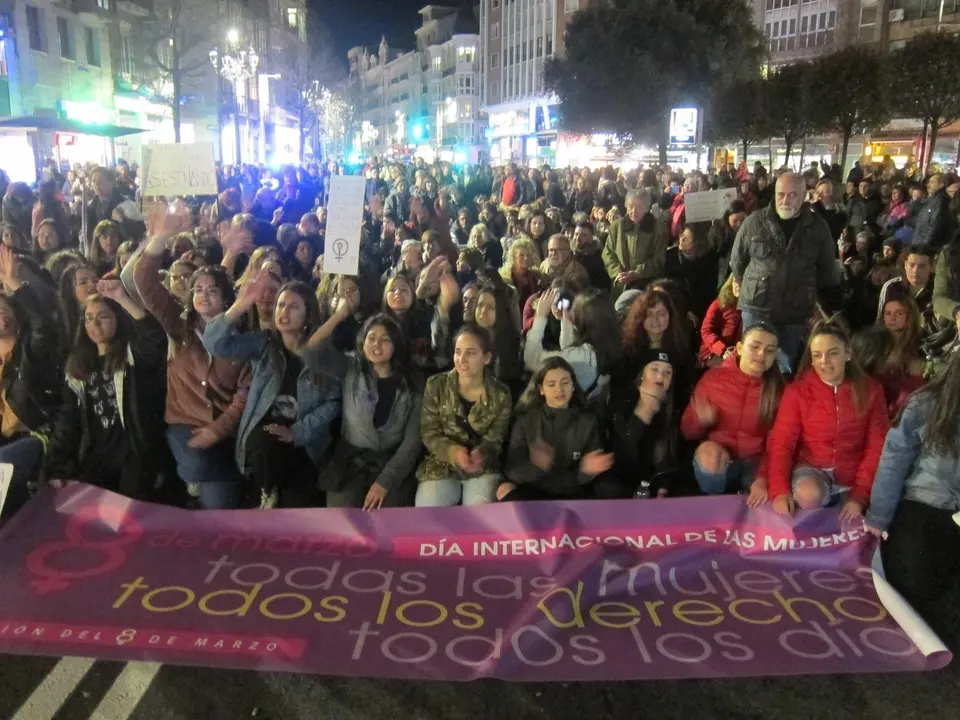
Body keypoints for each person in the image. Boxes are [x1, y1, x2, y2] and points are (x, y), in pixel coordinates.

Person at [134, 220, 251, 510]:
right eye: (197, 289)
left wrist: (218, 430)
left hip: (224, 432)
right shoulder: (178, 324)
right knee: (198, 466)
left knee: (217, 512)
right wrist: (161, 235)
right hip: (184, 424)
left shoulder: (243, 339)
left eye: (212, 291)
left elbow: (243, 395)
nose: (203, 295)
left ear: (226, 299)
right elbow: (145, 280)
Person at [203, 273, 342, 508]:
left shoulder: (323, 353)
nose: (283, 311)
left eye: (293, 306)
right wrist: (242, 304)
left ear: (308, 315)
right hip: (264, 444)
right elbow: (216, 343)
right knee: (266, 441)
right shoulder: (264, 343)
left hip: (303, 444)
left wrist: (296, 433)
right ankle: (267, 491)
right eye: (280, 304)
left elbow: (333, 403)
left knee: (299, 511)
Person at [865, 349, 960, 636]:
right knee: (912, 587)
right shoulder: (927, 401)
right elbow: (894, 460)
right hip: (925, 504)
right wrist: (879, 517)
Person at [46, 281, 168, 500]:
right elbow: (68, 419)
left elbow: (155, 338)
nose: (95, 324)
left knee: (129, 513)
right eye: (89, 318)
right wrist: (56, 465)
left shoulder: (132, 356)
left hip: (134, 452)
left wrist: (121, 297)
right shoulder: (77, 366)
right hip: (96, 453)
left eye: (103, 316)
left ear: (118, 320)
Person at [766, 319, 889, 518]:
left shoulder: (871, 391)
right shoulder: (797, 392)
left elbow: (877, 446)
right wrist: (779, 490)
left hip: (854, 476)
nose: (824, 361)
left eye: (833, 353)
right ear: (811, 359)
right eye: (817, 355)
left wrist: (860, 495)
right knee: (809, 494)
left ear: (847, 354)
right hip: (811, 471)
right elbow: (782, 443)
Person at [309, 307, 422, 510]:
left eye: (385, 339)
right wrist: (338, 315)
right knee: (342, 523)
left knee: (389, 521)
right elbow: (312, 352)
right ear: (363, 342)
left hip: (392, 461)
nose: (377, 345)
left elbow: (412, 440)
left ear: (396, 344)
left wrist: (385, 482)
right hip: (349, 462)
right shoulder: (351, 367)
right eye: (371, 338)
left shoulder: (413, 382)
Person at [730, 172, 841, 374]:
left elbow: (827, 269)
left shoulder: (817, 227)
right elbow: (737, 261)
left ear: (804, 195)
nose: (785, 200)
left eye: (792, 195)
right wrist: (748, 284)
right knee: (751, 364)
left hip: (795, 311)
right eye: (781, 194)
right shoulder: (754, 221)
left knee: (785, 366)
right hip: (757, 306)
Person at [682, 323, 783, 502]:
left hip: (756, 463)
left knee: (759, 503)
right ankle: (715, 501)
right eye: (755, 346)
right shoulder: (713, 379)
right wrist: (700, 421)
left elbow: (779, 443)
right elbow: (687, 432)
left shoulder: (778, 390)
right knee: (709, 457)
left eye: (769, 350)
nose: (761, 355)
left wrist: (762, 478)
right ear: (740, 348)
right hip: (721, 461)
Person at [415, 325, 511, 507]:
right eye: (458, 352)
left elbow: (497, 438)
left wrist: (483, 454)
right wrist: (452, 451)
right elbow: (429, 432)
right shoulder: (436, 385)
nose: (462, 359)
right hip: (441, 464)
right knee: (428, 513)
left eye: (471, 353)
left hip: (482, 468)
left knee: (481, 515)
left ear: (487, 358)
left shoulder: (501, 394)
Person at [0, 246, 63, 519]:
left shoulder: (31, 349)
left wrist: (15, 284)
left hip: (35, 435)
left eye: (4, 310)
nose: (1, 316)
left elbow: (43, 324)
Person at [498, 357, 614, 501]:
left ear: (573, 385)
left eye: (565, 383)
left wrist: (585, 471)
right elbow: (511, 470)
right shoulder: (525, 422)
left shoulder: (588, 421)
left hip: (573, 490)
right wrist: (536, 466)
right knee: (504, 489)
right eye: (551, 384)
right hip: (534, 490)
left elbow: (592, 464)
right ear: (541, 389)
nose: (559, 389)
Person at [524, 287, 622, 405]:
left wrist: (540, 317)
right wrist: (566, 321)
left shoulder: (583, 356)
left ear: (583, 319)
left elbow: (532, 360)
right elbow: (570, 349)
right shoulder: (611, 342)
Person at [608, 348, 679, 498]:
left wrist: (663, 488)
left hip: (651, 486)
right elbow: (622, 450)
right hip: (619, 485)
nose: (661, 376)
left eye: (668, 372)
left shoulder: (671, 408)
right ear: (642, 374)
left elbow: (667, 457)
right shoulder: (622, 399)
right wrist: (645, 411)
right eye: (654, 369)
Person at [602, 189, 668, 298]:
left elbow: (659, 260)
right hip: (620, 284)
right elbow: (607, 253)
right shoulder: (617, 226)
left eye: (639, 207)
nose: (633, 211)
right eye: (630, 206)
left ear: (647, 208)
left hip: (646, 285)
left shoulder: (659, 229)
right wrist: (617, 272)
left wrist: (637, 274)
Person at [664, 225, 719, 321]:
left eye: (687, 238)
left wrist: (694, 311)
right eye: (682, 236)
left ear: (697, 242)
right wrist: (686, 310)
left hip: (702, 308)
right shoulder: (671, 255)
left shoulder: (708, 257)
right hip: (679, 307)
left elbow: (708, 289)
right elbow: (670, 286)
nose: (682, 239)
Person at [877, 245, 936, 335]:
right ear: (905, 265)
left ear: (931, 267)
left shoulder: (937, 289)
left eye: (922, 266)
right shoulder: (892, 287)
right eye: (911, 265)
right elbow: (882, 322)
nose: (915, 270)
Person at [699, 275, 743, 366]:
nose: (738, 285)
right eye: (735, 281)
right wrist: (722, 350)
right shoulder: (719, 304)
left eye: (742, 282)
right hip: (713, 352)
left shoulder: (752, 312)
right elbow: (706, 331)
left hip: (738, 354)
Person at [912, 173, 954, 248]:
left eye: (932, 182)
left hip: (926, 248)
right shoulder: (931, 200)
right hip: (918, 244)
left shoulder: (941, 202)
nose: (928, 185)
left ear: (941, 185)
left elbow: (935, 227)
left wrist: (924, 247)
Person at [571, 221, 609, 291]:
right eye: (576, 234)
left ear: (591, 237)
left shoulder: (600, 258)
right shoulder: (569, 254)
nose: (578, 238)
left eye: (583, 235)